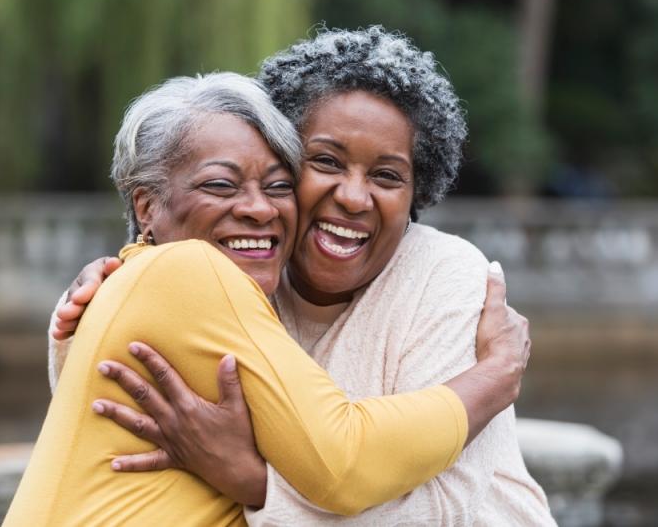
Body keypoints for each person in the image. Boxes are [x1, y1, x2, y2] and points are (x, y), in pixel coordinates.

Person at [49, 27, 555, 525]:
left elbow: (444, 509)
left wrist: (250, 482)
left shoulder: (445, 275)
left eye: (386, 176)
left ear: (415, 194)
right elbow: (109, 413)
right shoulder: (241, 272)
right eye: (326, 162)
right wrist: (100, 308)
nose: (355, 198)